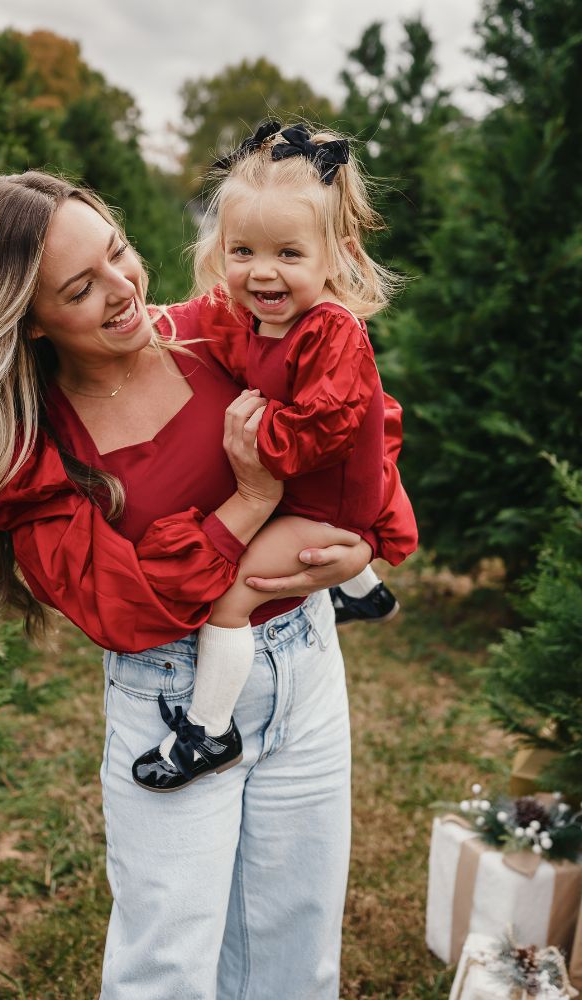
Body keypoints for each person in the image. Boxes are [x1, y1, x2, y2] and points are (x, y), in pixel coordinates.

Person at [0, 167, 417, 999]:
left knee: (296, 954)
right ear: (32, 323)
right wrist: (253, 501)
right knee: (167, 968)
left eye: (119, 253)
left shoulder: (214, 332)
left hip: (303, 664)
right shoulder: (37, 452)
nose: (123, 289)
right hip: (172, 693)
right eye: (82, 288)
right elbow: (120, 604)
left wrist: (357, 539)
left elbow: (357, 411)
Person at [132, 120, 414, 793]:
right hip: (320, 493)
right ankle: (364, 597)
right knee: (284, 540)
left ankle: (209, 730)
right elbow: (220, 335)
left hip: (329, 503)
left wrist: (259, 443)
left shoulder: (334, 331)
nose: (262, 271)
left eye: (288, 252)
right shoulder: (262, 317)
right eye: (243, 250)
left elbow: (332, 421)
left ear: (335, 257)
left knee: (230, 598)